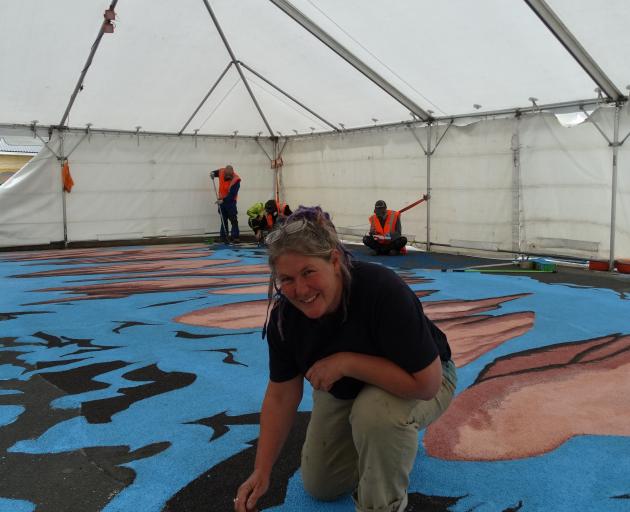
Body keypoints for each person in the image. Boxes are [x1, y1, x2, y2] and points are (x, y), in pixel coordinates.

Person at [234, 206, 457, 512]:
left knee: (376, 415)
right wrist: (262, 469)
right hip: (349, 386)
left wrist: (346, 363)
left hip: (427, 376)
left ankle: (383, 502)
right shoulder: (285, 320)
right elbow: (281, 395)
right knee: (321, 486)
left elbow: (426, 384)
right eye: (286, 279)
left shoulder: (382, 291)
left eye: (308, 272)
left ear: (335, 261)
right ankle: (382, 444)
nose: (300, 290)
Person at [210, 165, 241, 243]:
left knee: (233, 219)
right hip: (221, 201)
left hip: (231, 202)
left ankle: (235, 237)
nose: (227, 177)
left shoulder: (236, 180)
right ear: (224, 173)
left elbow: (232, 195)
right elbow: (214, 172)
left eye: (229, 176)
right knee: (223, 220)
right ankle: (223, 237)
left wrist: (223, 200)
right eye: (226, 176)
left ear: (232, 174)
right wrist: (212, 174)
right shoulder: (221, 172)